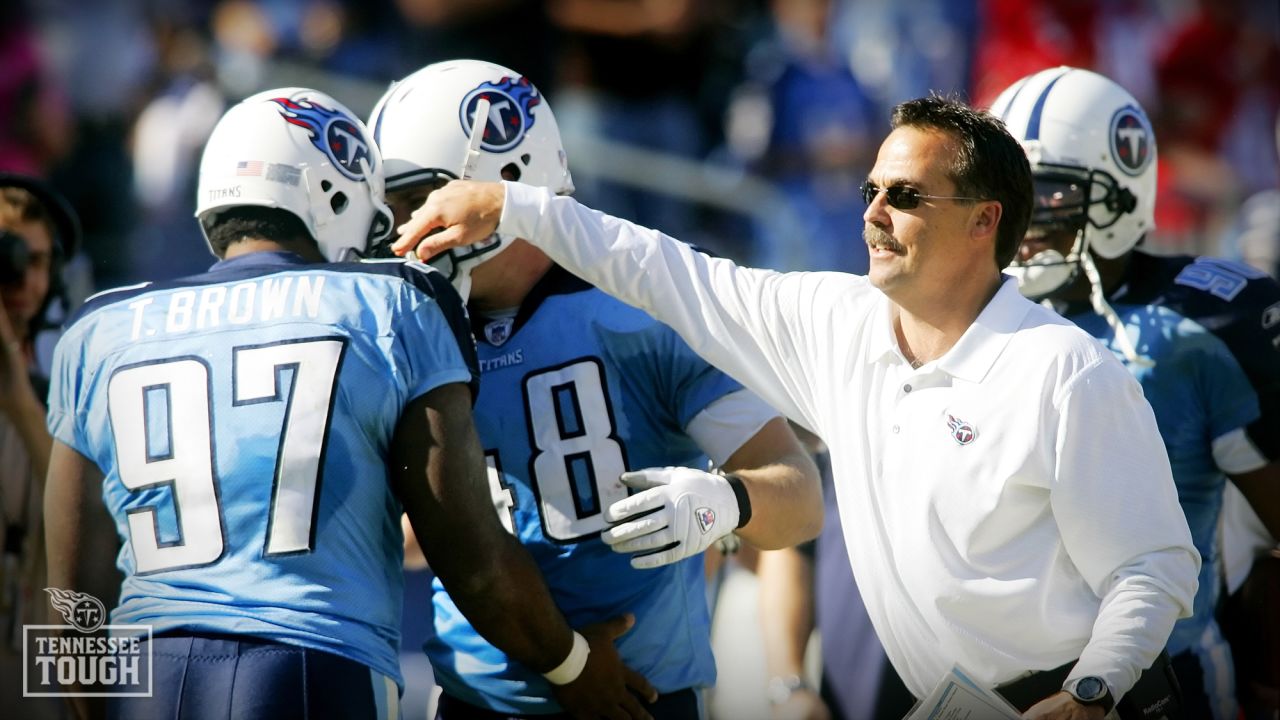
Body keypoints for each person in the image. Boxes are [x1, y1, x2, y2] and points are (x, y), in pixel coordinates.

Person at [392, 93, 1205, 720]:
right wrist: (517, 206)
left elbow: (1155, 566)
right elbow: (674, 273)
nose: (873, 214)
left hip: (1091, 702)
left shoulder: (1063, 368)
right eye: (870, 188)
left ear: (984, 221)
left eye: (907, 196)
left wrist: (1093, 691)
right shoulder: (841, 323)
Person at [42, 87, 655, 720]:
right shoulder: (391, 302)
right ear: (333, 195)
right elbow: (466, 547)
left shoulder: (99, 329)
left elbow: (66, 586)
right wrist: (571, 663)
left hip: (146, 674)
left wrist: (90, 708)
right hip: (311, 667)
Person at [369, 59, 824, 718]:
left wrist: (723, 503)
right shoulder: (413, 325)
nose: (401, 234)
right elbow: (416, 534)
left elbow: (800, 496)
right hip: (475, 702)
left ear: (504, 181)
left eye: (416, 203)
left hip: (643, 700)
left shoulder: (641, 305)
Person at [991, 66, 1280, 720]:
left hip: (1165, 682)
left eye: (1051, 196)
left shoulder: (1203, 322)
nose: (1023, 222)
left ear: (1119, 192)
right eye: (1009, 195)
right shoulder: (970, 309)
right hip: (996, 683)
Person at [0, 173, 91, 719]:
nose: (23, 280)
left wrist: (20, 401)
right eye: (9, 256)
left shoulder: (65, 380)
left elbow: (85, 521)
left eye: (38, 262)